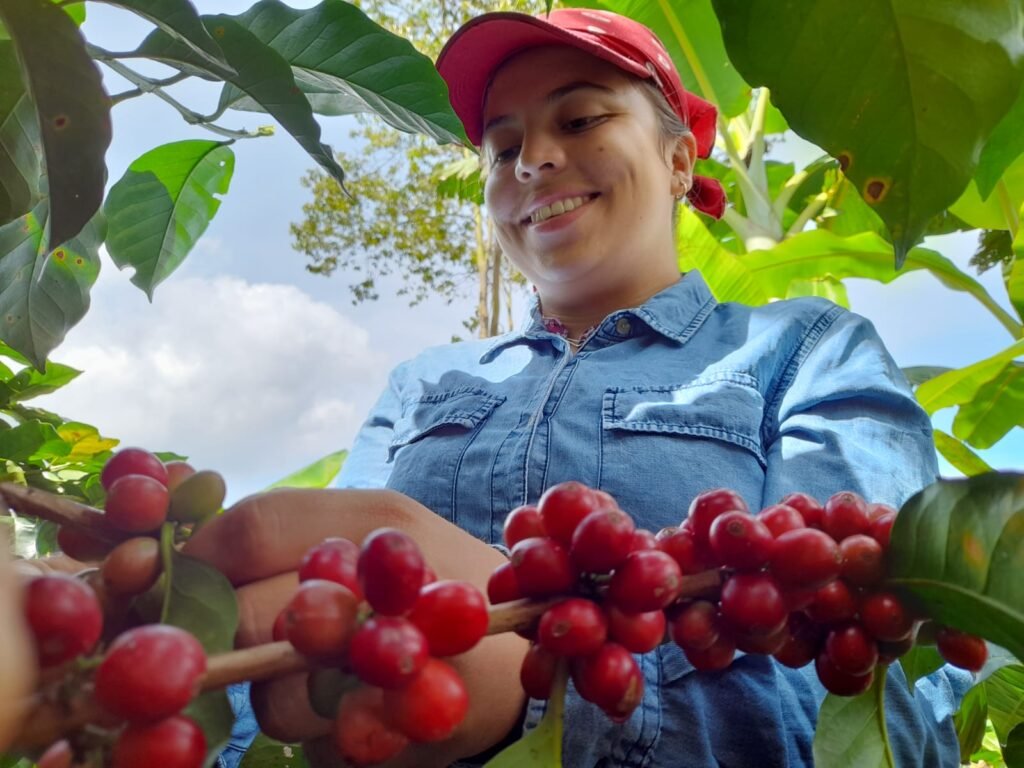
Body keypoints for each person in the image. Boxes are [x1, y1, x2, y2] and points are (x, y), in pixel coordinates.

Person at [193, 8, 971, 767]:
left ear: (678, 162)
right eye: (502, 148)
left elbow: (874, 677)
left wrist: (538, 688)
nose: (531, 160)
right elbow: (297, 633)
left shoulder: (805, 350)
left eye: (580, 120)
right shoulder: (423, 382)